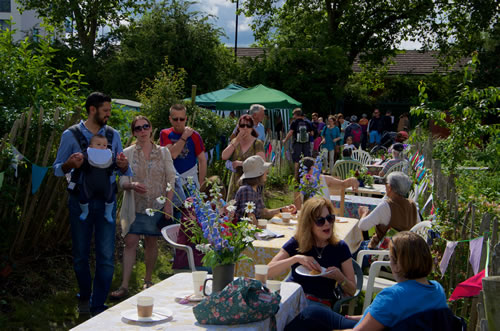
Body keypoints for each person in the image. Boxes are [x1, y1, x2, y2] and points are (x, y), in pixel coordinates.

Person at [53, 92, 131, 315]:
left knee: (106, 256)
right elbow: (57, 169)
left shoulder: (113, 135)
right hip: (80, 201)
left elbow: (124, 169)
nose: (109, 114)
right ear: (92, 110)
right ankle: (85, 296)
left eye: (109, 110)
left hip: (107, 201)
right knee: (80, 255)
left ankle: (98, 304)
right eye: (105, 110)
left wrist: (123, 165)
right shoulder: (71, 135)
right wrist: (69, 163)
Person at [285, 231, 449, 331]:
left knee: (308, 317)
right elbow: (392, 315)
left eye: (391, 259)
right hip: (385, 324)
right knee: (314, 313)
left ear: (398, 265)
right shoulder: (436, 290)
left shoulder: (393, 296)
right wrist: (364, 316)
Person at [110, 115, 176, 299]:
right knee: (130, 242)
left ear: (150, 128)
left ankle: (147, 280)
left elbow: (171, 179)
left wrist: (168, 205)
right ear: (134, 132)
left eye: (145, 126)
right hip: (135, 206)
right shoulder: (127, 153)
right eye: (138, 128)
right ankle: (124, 285)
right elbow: (122, 180)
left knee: (151, 241)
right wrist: (132, 185)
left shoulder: (163, 152)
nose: (142, 131)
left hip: (156, 205)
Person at [267, 197, 356, 311]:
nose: (327, 224)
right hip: (293, 299)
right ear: (308, 224)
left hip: (320, 305)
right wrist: (295, 258)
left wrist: (340, 277)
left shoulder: (340, 247)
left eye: (330, 218)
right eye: (320, 221)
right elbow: (268, 272)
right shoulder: (297, 242)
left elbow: (352, 289)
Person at [174, 176, 226, 271]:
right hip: (192, 256)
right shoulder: (191, 204)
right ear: (207, 193)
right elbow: (192, 229)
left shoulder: (214, 206)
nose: (217, 201)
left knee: (231, 263)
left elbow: (224, 231)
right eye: (215, 197)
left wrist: (228, 218)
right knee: (223, 269)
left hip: (210, 253)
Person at [358, 172, 420, 250]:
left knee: (348, 250)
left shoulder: (386, 206)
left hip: (383, 253)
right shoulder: (412, 205)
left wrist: (364, 213)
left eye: (386, 183)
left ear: (389, 187)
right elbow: (418, 228)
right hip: (405, 252)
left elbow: (362, 226)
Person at [234, 155, 296, 223]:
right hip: (243, 231)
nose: (267, 172)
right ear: (258, 174)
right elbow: (250, 218)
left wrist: (282, 210)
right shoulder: (247, 190)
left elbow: (263, 212)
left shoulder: (257, 188)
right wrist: (261, 230)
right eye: (264, 171)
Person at [71, 134, 117, 223]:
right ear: (90, 146)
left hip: (105, 184)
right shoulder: (87, 155)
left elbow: (112, 168)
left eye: (104, 145)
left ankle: (108, 213)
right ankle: (85, 211)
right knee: (83, 198)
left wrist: (117, 163)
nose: (102, 147)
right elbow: (80, 168)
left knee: (110, 197)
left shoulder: (109, 155)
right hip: (89, 184)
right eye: (98, 144)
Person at [160, 104, 207, 189]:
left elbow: (202, 160)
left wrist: (200, 184)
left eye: (181, 119)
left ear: (186, 118)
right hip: (171, 180)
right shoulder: (165, 133)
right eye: (175, 119)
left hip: (190, 180)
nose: (178, 121)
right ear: (170, 119)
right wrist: (184, 136)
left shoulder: (195, 135)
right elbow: (172, 154)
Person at [222, 114, 265, 199]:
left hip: (251, 183)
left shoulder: (257, 143)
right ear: (238, 127)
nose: (245, 128)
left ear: (252, 128)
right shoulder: (235, 141)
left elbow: (261, 163)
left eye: (248, 125)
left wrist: (241, 164)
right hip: (235, 182)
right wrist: (236, 141)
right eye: (242, 125)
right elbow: (224, 156)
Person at [283, 108, 314, 179]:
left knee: (296, 160)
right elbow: (312, 133)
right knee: (307, 159)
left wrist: (285, 140)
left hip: (297, 143)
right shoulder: (307, 122)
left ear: (296, 115)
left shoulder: (294, 122)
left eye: (293, 114)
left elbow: (291, 132)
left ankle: (296, 177)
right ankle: (308, 176)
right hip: (306, 143)